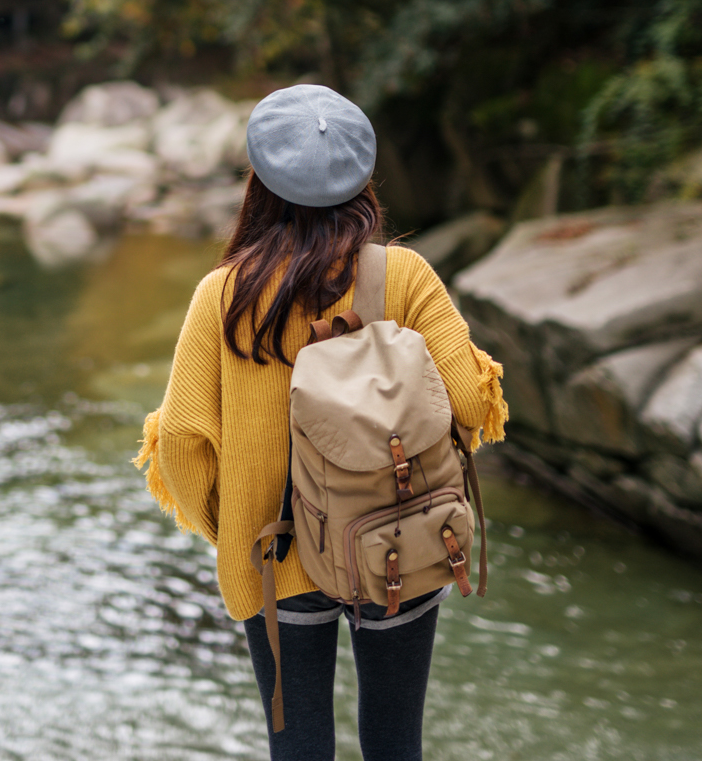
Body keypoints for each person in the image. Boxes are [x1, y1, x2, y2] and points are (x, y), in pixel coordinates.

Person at [135, 83, 508, 761]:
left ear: (260, 185)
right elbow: (472, 403)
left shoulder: (221, 294)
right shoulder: (406, 274)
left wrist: (231, 523)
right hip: (397, 534)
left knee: (298, 746)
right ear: (360, 180)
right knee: (397, 743)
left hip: (273, 554)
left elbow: (184, 441)